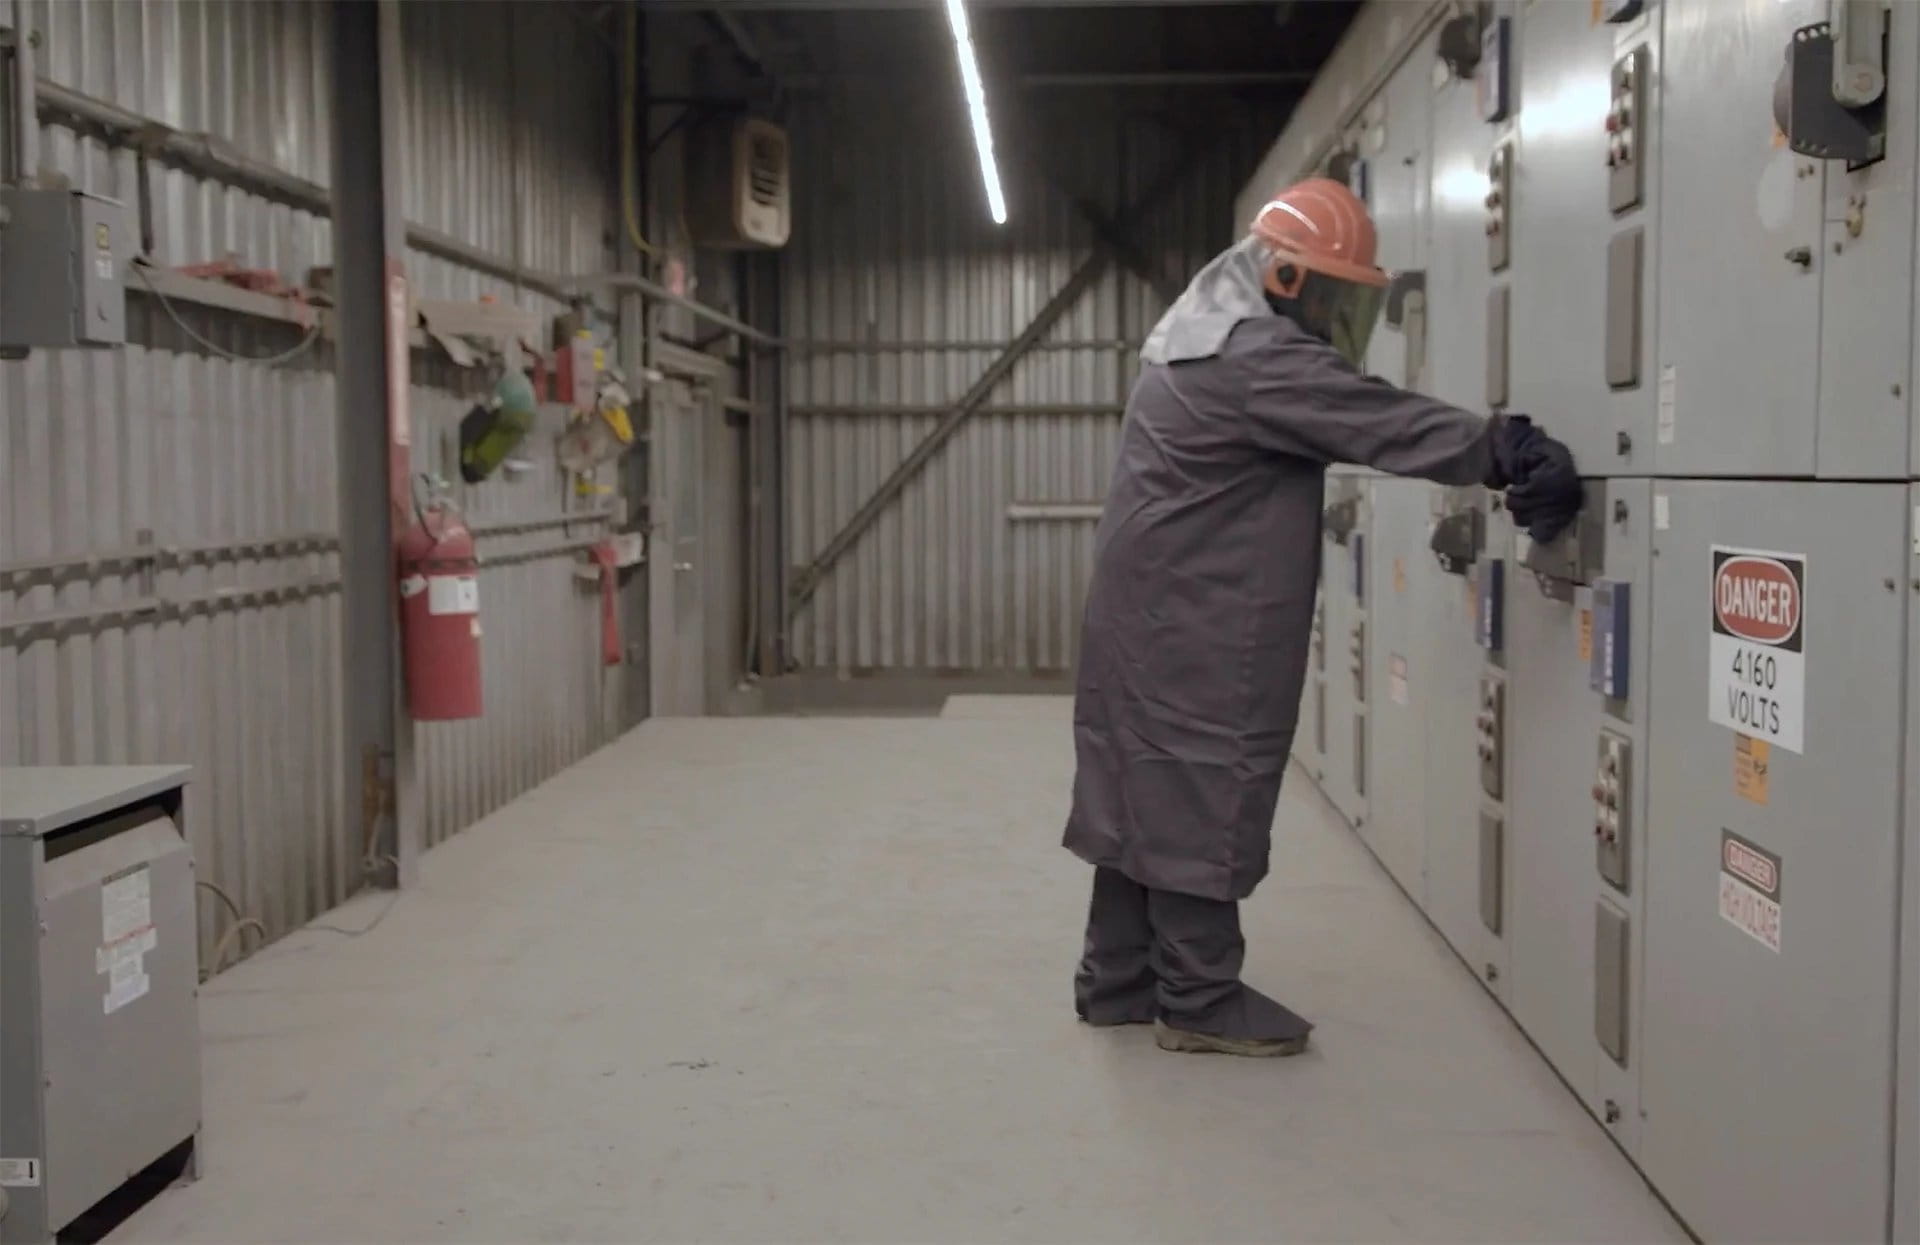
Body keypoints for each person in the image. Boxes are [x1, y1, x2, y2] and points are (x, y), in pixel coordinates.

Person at [1062, 176, 1583, 1057]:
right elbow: (1378, 418)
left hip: (1146, 615)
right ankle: (1196, 995)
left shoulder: (1190, 339)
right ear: (1286, 278)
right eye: (1333, 295)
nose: (1336, 318)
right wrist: (1507, 449)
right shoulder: (1254, 356)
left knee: (1142, 783)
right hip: (1196, 620)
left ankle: (1117, 977)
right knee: (1199, 784)